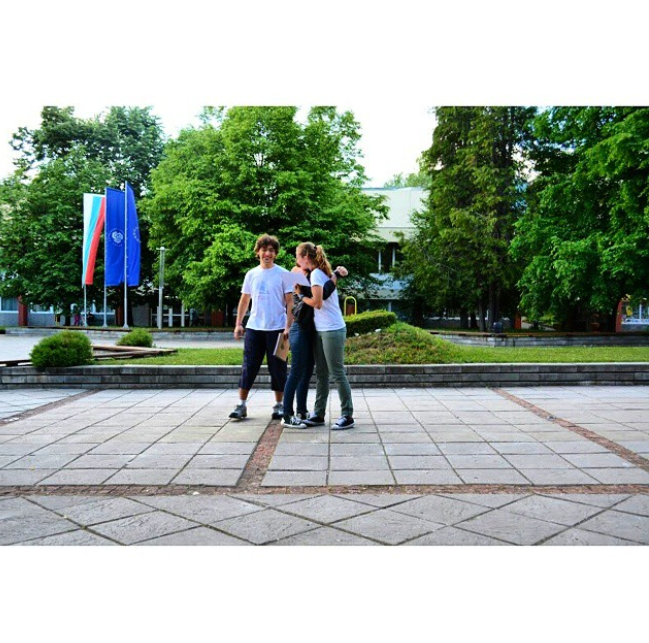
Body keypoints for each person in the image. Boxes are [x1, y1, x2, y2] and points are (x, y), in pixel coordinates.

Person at [229, 234, 293, 421]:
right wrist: (238, 324)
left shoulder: (284, 274)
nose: (268, 254)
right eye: (264, 250)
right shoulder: (251, 274)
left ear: (276, 254)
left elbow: (290, 302)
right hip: (254, 328)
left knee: (278, 368)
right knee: (249, 366)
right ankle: (241, 405)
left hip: (279, 329)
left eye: (271, 250)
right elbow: (244, 300)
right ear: (257, 252)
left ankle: (279, 405)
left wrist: (288, 327)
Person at [281, 262, 347, 429]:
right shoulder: (298, 275)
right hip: (300, 328)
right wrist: (335, 275)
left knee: (307, 372)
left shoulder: (313, 278)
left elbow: (325, 291)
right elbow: (319, 295)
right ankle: (286, 414)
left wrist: (335, 275)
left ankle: (302, 411)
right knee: (297, 371)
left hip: (313, 330)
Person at [296, 242, 355, 430]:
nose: (297, 261)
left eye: (298, 257)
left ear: (306, 257)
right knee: (321, 374)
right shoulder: (321, 273)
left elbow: (318, 303)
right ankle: (319, 414)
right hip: (321, 329)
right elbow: (330, 285)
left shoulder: (316, 274)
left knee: (337, 373)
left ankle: (347, 415)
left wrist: (300, 296)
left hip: (332, 329)